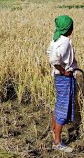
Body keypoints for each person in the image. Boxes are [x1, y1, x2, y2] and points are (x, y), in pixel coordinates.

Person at [47, 15, 78, 153]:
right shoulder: (64, 42)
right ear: (69, 29)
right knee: (63, 109)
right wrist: (64, 71)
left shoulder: (56, 39)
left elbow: (49, 52)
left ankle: (54, 132)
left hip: (59, 78)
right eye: (72, 26)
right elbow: (54, 59)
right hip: (64, 78)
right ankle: (57, 142)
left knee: (59, 104)